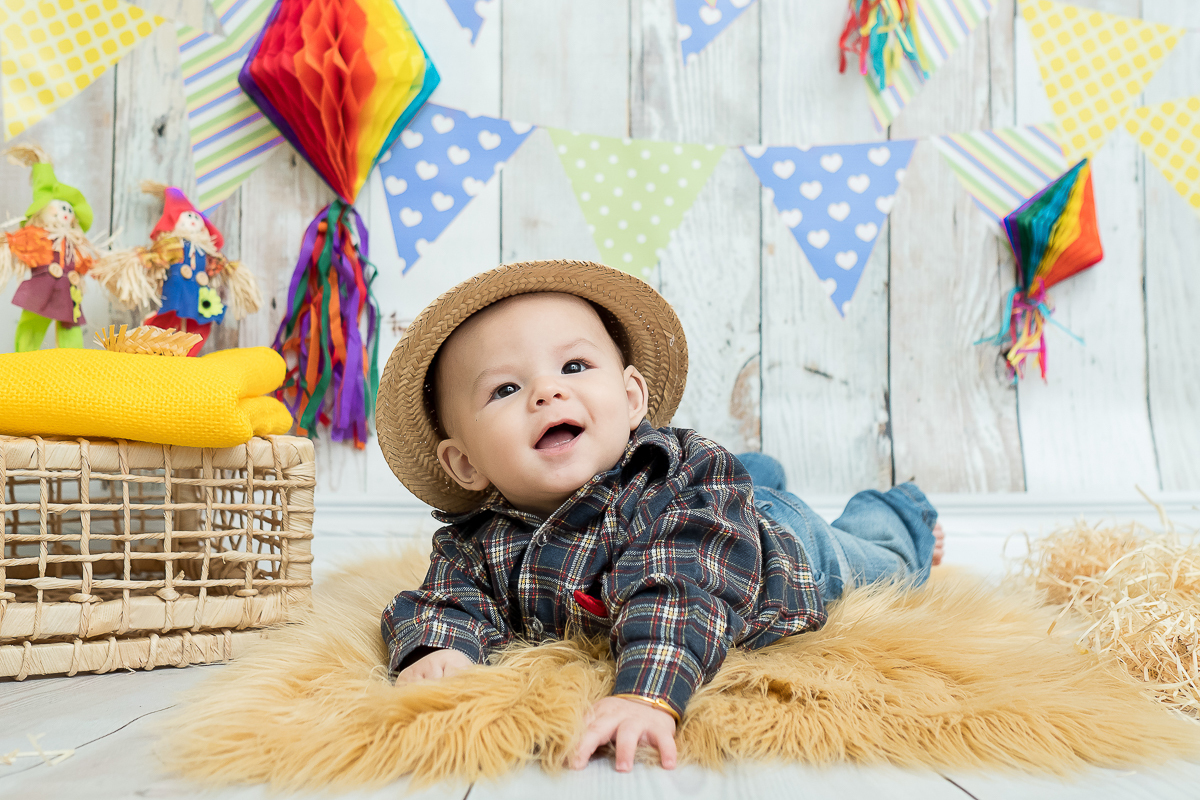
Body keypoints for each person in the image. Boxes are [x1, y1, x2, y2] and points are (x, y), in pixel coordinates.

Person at [375, 260, 944, 773]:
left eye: (574, 365)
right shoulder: (476, 542)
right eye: (505, 388)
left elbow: (680, 587)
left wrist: (645, 693)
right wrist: (440, 650)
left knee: (883, 564)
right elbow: (443, 600)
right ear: (466, 463)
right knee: (741, 483)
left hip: (783, 551)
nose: (546, 392)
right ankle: (756, 473)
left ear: (631, 399)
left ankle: (895, 511)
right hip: (719, 511)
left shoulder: (672, 481)